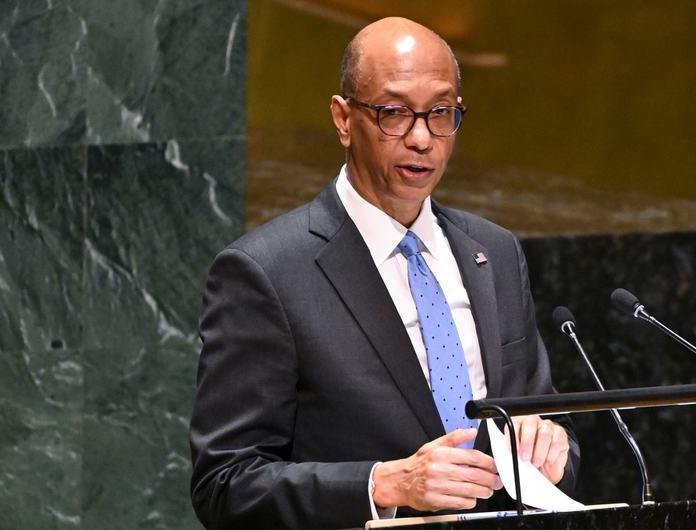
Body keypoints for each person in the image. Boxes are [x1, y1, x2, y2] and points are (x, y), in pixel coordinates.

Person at [189, 17, 579, 529]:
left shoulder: (495, 252)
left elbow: (554, 430)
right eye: (394, 113)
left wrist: (554, 447)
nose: (422, 138)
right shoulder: (267, 272)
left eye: (441, 112)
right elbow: (225, 484)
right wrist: (382, 486)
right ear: (343, 119)